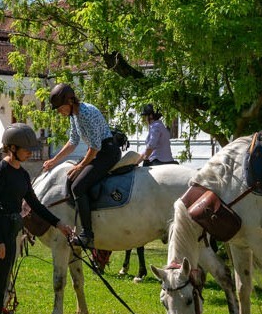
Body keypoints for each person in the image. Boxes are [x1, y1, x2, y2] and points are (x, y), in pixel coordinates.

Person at [0, 123, 73, 314]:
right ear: (12, 147)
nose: (30, 151)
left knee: (1, 283)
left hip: (12, 231)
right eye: (25, 148)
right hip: (0, 233)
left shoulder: (21, 174)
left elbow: (35, 205)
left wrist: (59, 223)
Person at [39, 82, 121, 250]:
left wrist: (81, 166)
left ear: (70, 102)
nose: (60, 113)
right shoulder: (74, 115)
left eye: (60, 108)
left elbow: (96, 146)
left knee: (78, 186)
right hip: (98, 152)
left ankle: (88, 235)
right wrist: (54, 160)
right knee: (72, 180)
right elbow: (73, 141)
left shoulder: (85, 113)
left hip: (107, 152)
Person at [116, 105, 176, 281]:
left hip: (158, 162)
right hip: (158, 160)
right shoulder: (157, 126)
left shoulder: (157, 127)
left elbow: (150, 148)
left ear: (150, 116)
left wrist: (138, 160)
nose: (144, 119)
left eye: (145, 116)